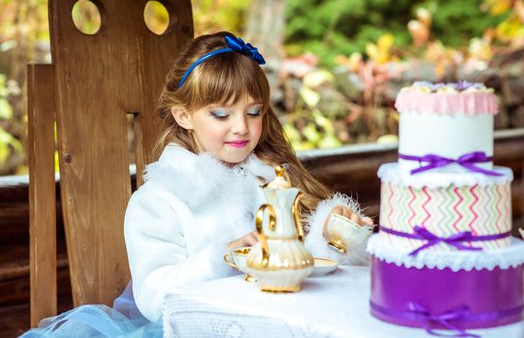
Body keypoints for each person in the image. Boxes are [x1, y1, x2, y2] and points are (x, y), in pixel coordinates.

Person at [22, 31, 372, 337]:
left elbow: (300, 273)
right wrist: (222, 256)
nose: (242, 127)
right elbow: (154, 299)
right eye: (221, 114)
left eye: (254, 112)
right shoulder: (160, 200)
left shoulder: (271, 181)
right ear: (183, 115)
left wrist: (330, 236)